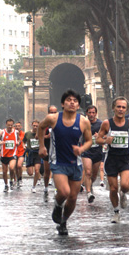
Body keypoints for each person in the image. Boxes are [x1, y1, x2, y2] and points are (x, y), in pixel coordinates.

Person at [38, 89, 92, 235]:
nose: (72, 103)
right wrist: (42, 146)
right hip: (58, 162)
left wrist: (81, 149)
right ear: (63, 104)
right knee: (64, 192)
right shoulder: (53, 118)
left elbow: (89, 141)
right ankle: (57, 205)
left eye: (75, 101)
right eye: (69, 100)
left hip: (76, 164)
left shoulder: (83, 121)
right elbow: (41, 127)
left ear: (78, 105)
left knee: (73, 198)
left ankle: (63, 222)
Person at [96, 97, 129, 223]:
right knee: (113, 188)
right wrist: (105, 140)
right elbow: (98, 139)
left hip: (126, 158)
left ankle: (123, 194)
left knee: (125, 185)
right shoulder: (107, 123)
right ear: (113, 108)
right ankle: (116, 212)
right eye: (118, 107)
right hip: (111, 159)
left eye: (123, 107)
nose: (121, 109)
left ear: (126, 110)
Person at [82, 105, 103, 203]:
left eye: (93, 112)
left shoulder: (101, 124)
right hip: (86, 152)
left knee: (94, 175)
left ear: (96, 113)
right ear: (86, 113)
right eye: (89, 112)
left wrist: (99, 136)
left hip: (97, 152)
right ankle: (89, 193)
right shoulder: (83, 123)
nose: (91, 114)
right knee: (88, 172)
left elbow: (106, 135)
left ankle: (90, 185)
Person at [0, 118, 21, 192]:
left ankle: (11, 180)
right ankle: (6, 185)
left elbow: (19, 139)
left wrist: (18, 142)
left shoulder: (16, 132)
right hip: (4, 155)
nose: (10, 127)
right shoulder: (2, 132)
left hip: (13, 154)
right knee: (4, 172)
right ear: (6, 125)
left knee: (12, 168)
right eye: (8, 125)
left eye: (11, 125)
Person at [42, 105, 58, 198]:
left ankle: (56, 188)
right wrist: (46, 137)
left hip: (57, 150)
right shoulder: (44, 124)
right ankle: (46, 187)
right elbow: (37, 136)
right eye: (51, 112)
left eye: (54, 112)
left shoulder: (61, 123)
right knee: (47, 170)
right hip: (47, 149)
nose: (52, 114)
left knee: (56, 170)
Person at [24, 120, 41, 193]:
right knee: (30, 173)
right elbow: (23, 141)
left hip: (38, 153)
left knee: (37, 171)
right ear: (32, 125)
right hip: (30, 153)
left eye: (37, 126)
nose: (35, 127)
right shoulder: (27, 133)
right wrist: (24, 146)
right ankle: (28, 168)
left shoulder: (41, 133)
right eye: (34, 126)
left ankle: (34, 186)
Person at [14, 121, 26, 189]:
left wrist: (25, 146)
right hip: (14, 152)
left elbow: (24, 141)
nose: (17, 127)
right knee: (15, 167)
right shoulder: (12, 133)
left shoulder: (23, 134)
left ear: (21, 127)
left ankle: (20, 178)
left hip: (21, 151)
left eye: (19, 126)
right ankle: (16, 179)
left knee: (19, 165)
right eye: (16, 126)